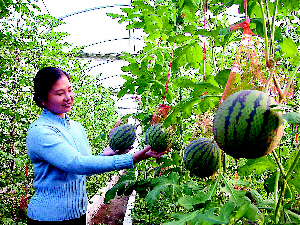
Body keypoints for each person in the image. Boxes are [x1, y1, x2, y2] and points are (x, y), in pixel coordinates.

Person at [26, 67, 166, 224]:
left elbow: (85, 170)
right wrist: (132, 158)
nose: (68, 97)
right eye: (60, 93)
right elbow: (77, 164)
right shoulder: (40, 131)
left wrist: (108, 152)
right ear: (43, 99)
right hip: (48, 218)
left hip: (77, 213)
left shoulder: (76, 127)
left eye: (70, 90)